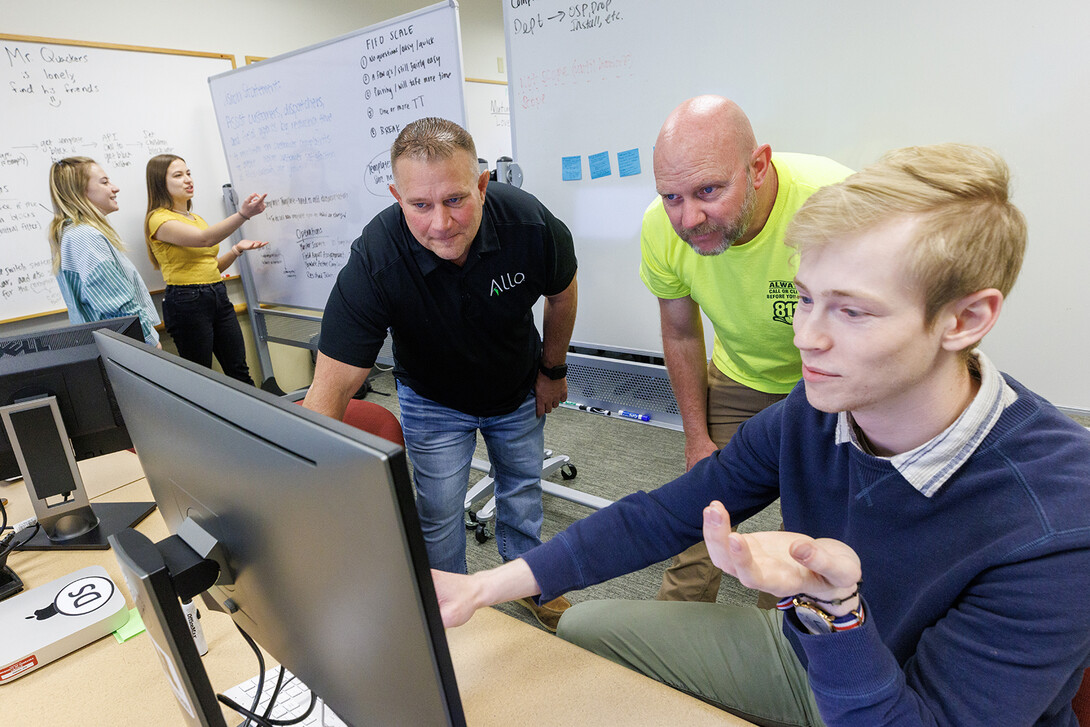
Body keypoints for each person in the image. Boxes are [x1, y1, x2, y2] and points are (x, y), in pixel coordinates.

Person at [432, 144, 1090, 726]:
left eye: (852, 310)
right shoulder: (817, 409)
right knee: (582, 627)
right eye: (805, 298)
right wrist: (487, 586)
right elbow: (666, 513)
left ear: (965, 319)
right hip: (811, 645)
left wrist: (835, 613)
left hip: (896, 695)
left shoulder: (1058, 516)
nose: (806, 337)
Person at [303, 117, 578, 631]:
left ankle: (531, 588)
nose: (441, 224)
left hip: (517, 388)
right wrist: (307, 486)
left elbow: (562, 290)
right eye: (420, 205)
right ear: (396, 196)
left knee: (521, 491)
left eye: (455, 200)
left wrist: (553, 369)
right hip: (433, 400)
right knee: (439, 512)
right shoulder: (376, 257)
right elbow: (331, 387)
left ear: (481, 184)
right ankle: (453, 614)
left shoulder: (529, 224)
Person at [643, 95, 853, 603]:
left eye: (709, 190)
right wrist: (696, 436)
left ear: (758, 166)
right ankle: (668, 651)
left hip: (835, 385)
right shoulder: (660, 228)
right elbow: (682, 332)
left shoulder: (838, 205)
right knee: (699, 516)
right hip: (740, 379)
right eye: (672, 196)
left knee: (809, 535)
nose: (689, 218)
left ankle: (780, 644)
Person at [143, 153, 268, 384]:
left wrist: (236, 250)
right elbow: (204, 240)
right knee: (201, 377)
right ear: (160, 182)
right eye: (178, 175)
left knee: (239, 370)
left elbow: (210, 267)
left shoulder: (195, 218)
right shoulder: (158, 219)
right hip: (186, 300)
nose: (188, 180)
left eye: (188, 173)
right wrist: (242, 215)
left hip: (217, 294)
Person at [48, 156, 161, 347]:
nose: (115, 188)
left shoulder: (73, 233)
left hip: (117, 344)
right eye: (104, 182)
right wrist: (149, 341)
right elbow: (118, 304)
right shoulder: (84, 236)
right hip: (129, 344)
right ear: (79, 192)